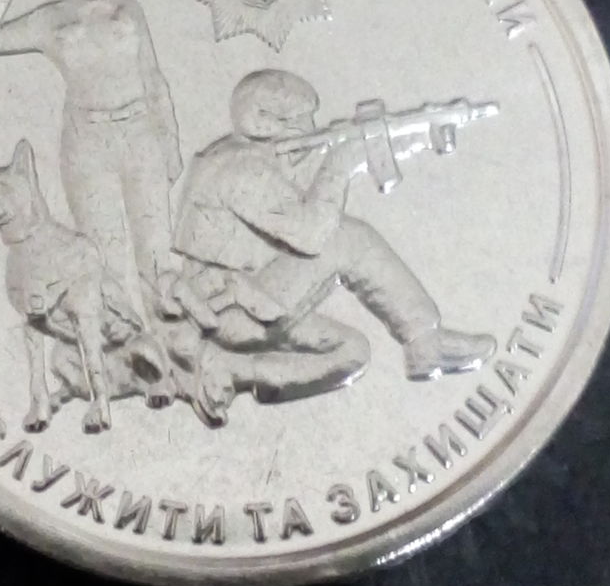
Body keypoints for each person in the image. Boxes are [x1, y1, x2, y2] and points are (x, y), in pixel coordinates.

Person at [168, 68, 495, 426]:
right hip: (230, 311)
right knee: (346, 237)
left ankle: (234, 370)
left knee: (351, 353)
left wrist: (407, 135)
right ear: (262, 121)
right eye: (300, 120)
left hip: (247, 307)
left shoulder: (252, 156)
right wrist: (340, 162)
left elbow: (306, 182)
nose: (310, 127)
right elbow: (311, 234)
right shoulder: (240, 169)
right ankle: (424, 340)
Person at [0, 0, 182, 370]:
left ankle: (173, 349)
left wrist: (170, 140)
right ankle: (135, 356)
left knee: (157, 247)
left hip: (140, 130)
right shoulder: (50, 20)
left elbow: (153, 76)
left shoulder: (128, 9)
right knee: (105, 251)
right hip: (87, 140)